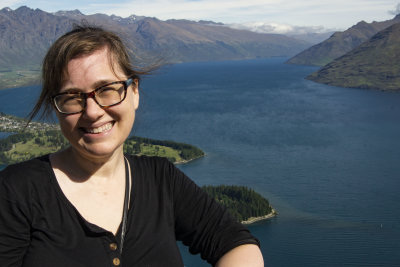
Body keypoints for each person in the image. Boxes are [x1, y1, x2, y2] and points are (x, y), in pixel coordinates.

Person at [0, 24, 264, 267]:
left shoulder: (161, 179)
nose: (92, 112)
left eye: (107, 89)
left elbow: (236, 243)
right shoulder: (15, 193)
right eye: (72, 97)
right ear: (55, 108)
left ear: (134, 91)